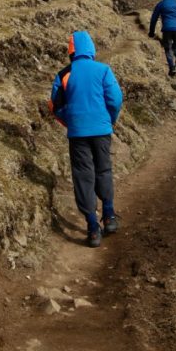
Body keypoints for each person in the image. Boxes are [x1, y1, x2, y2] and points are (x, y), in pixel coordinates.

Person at [48, 31, 124, 248]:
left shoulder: (64, 74)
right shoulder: (103, 70)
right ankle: (109, 216)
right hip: (101, 130)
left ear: (71, 51)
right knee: (103, 169)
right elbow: (115, 98)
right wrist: (110, 119)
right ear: (90, 48)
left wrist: (69, 122)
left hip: (78, 133)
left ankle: (92, 228)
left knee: (83, 176)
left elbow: (55, 105)